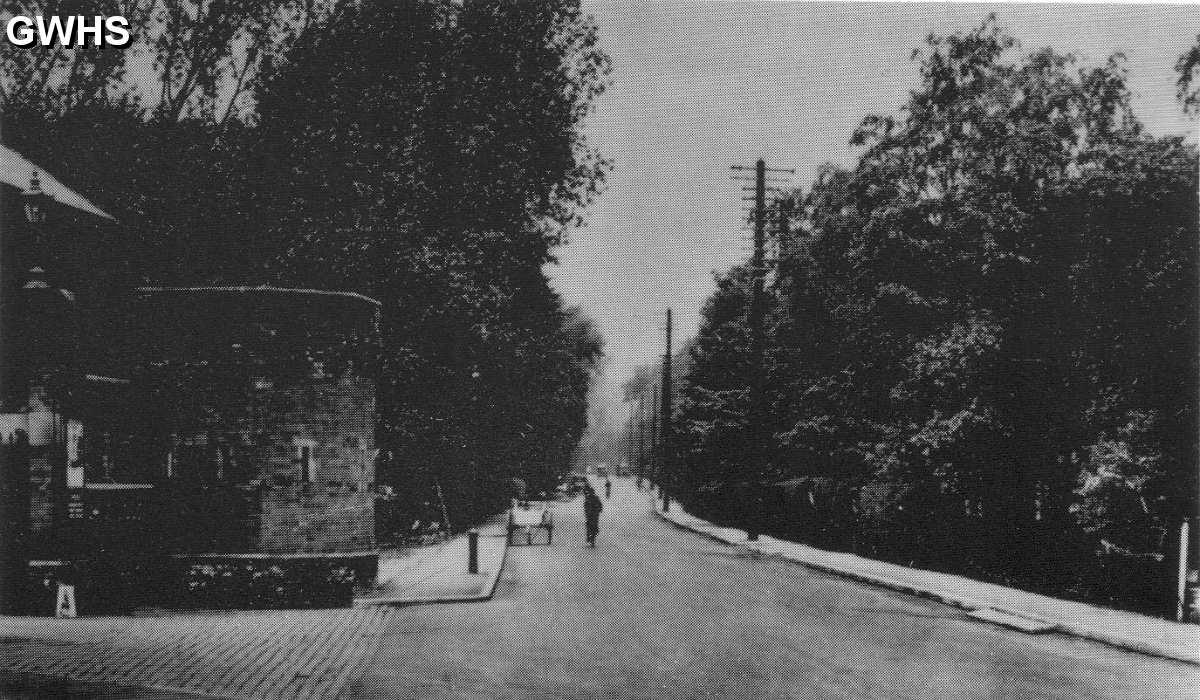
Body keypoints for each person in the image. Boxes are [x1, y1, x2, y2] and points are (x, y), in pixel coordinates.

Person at [583, 481, 603, 547]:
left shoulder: (592, 498)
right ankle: (589, 536)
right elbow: (585, 506)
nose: (591, 493)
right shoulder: (589, 498)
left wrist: (600, 509)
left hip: (593, 514)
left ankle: (591, 536)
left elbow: (600, 505)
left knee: (592, 525)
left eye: (592, 492)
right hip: (591, 514)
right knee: (589, 525)